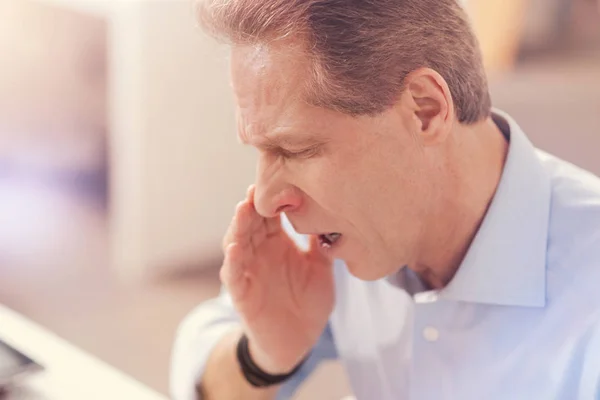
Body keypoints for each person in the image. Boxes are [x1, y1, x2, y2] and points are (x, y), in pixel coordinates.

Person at [170, 1, 600, 399]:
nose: (265, 201)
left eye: (296, 151)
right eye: (261, 152)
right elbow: (202, 349)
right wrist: (261, 357)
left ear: (425, 109)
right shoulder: (337, 234)